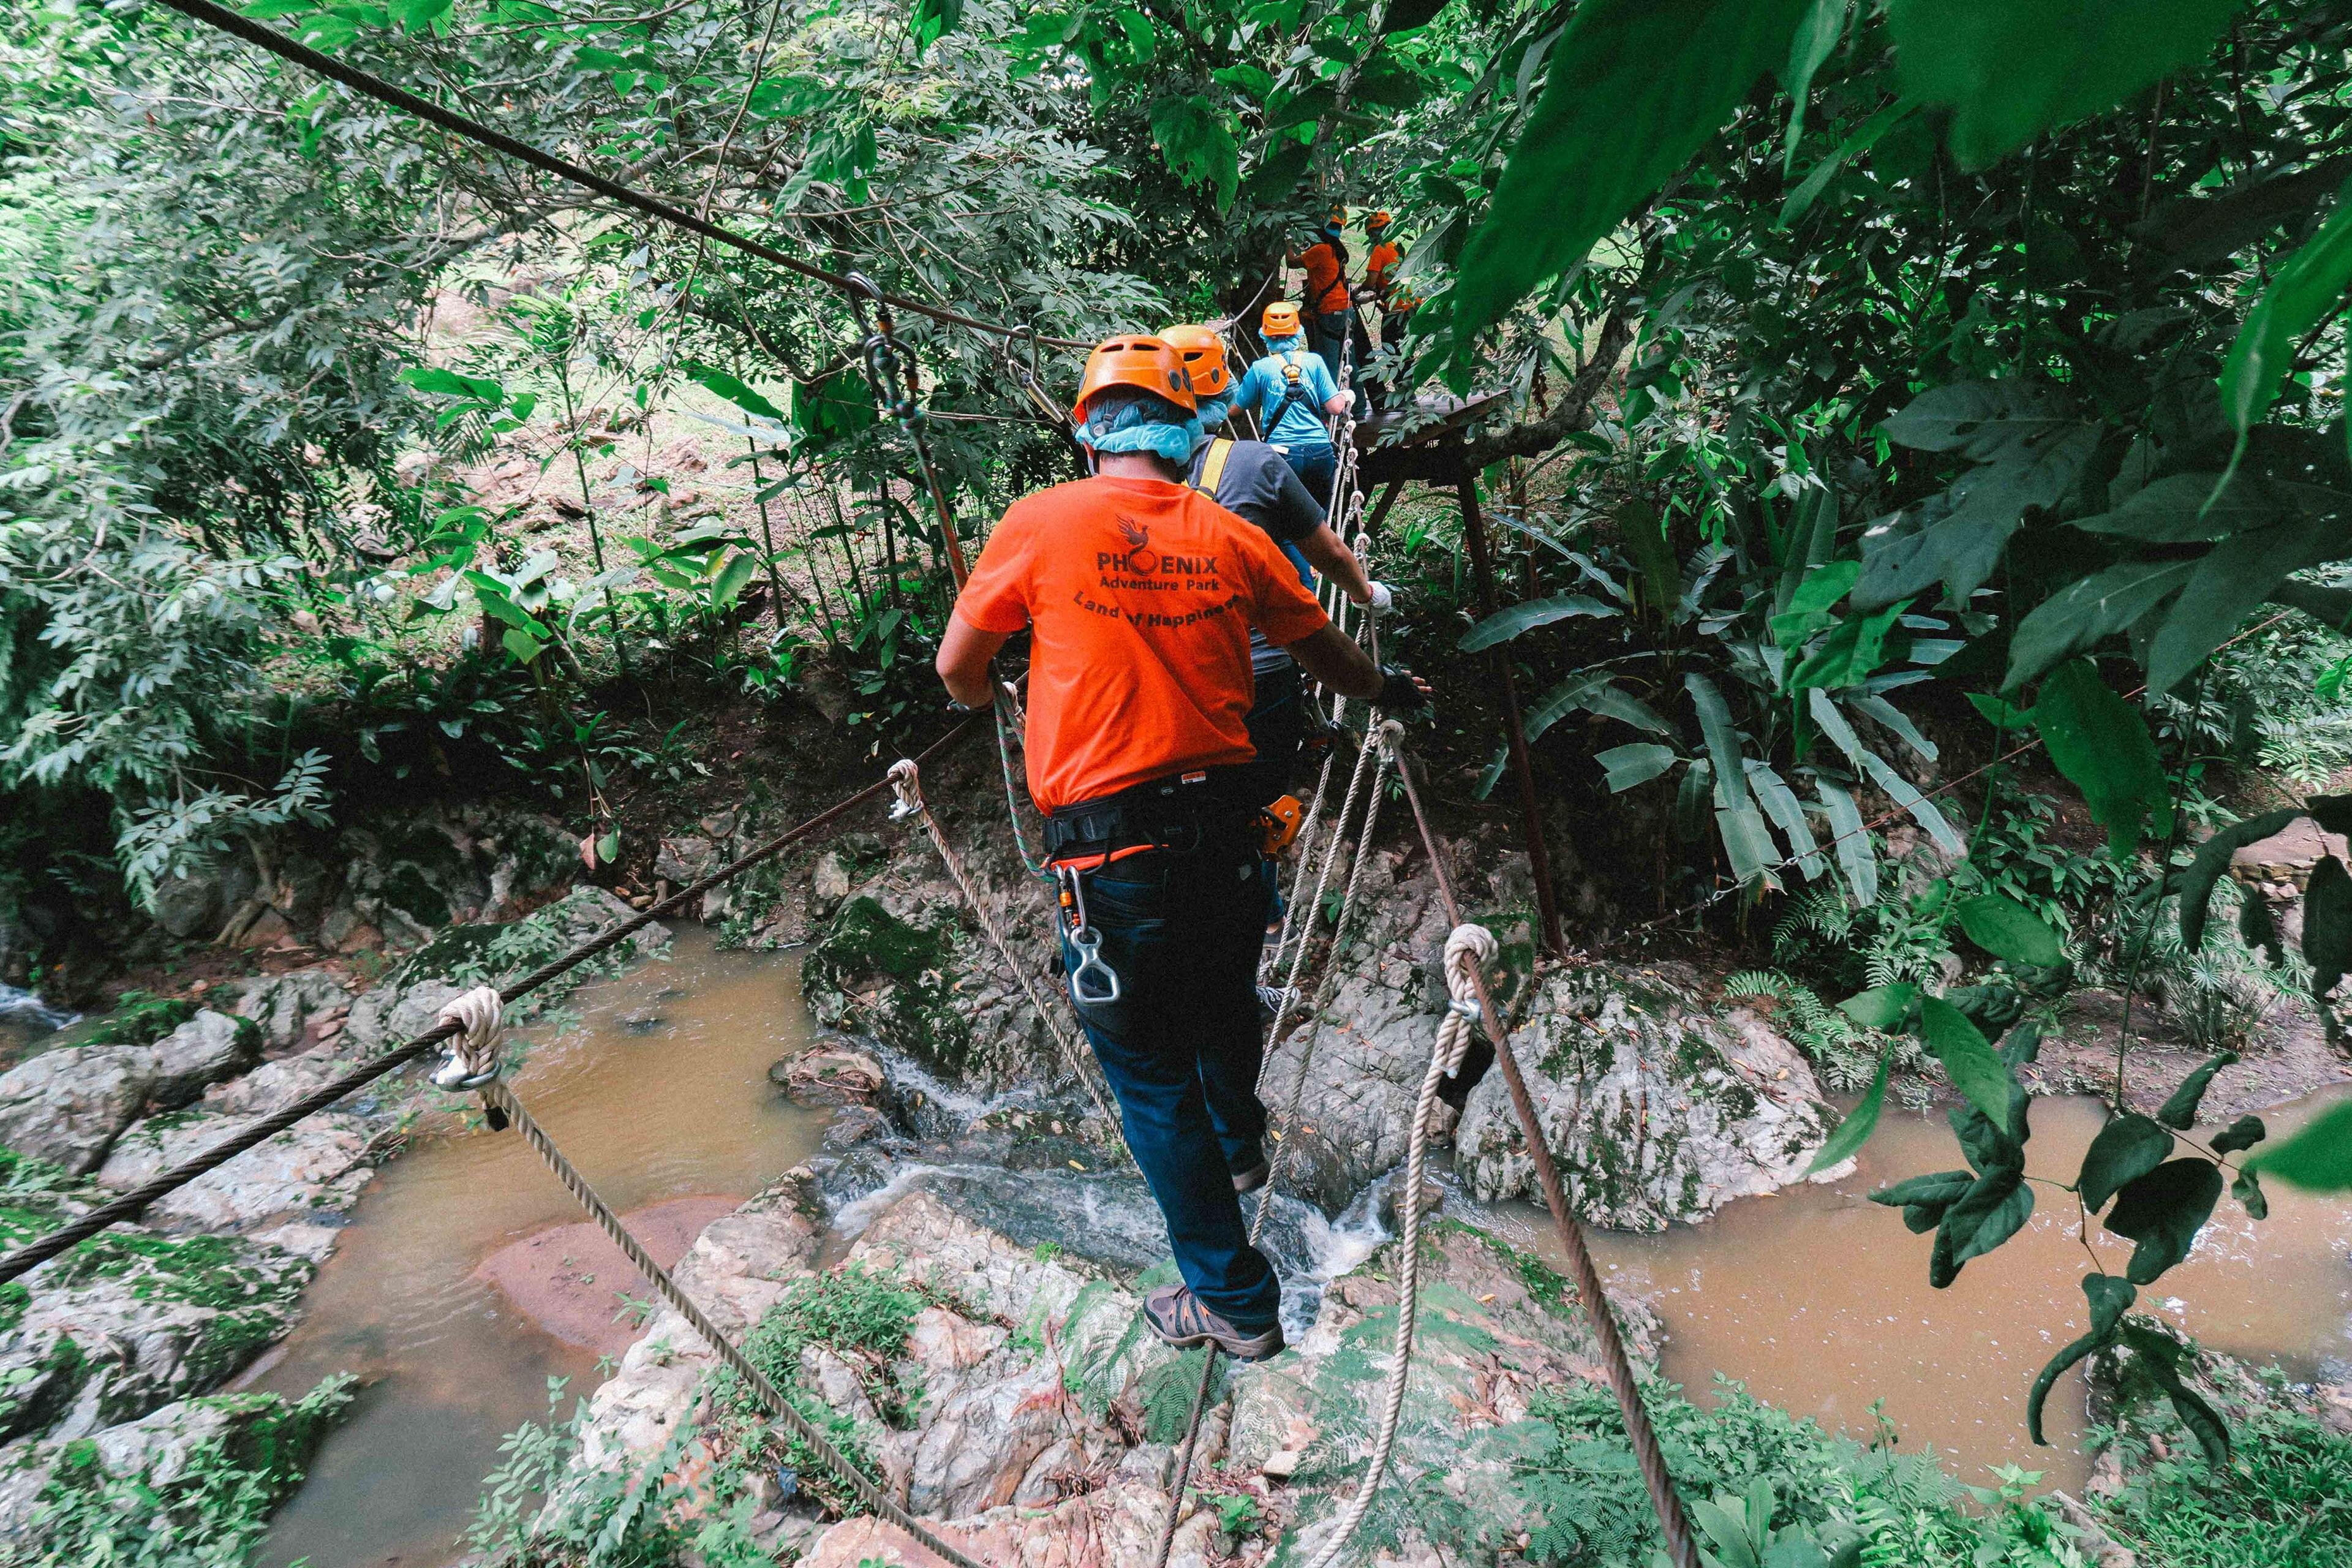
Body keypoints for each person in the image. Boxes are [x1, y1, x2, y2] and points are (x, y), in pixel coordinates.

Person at [935, 334, 1428, 1363]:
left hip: (1114, 864)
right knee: (1222, 1004)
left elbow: (957, 670)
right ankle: (1241, 1152)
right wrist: (1389, 688)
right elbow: (1330, 655)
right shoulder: (1233, 534)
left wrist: (992, 697)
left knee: (1155, 1081)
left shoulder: (1041, 520)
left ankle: (1232, 1301)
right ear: (1189, 430)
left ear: (1089, 434)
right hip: (1229, 842)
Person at [1161, 322, 1391, 813]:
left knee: (1191, 808)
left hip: (1171, 680)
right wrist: (1364, 594)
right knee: (1256, 806)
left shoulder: (1121, 487)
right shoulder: (1253, 462)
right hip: (1261, 675)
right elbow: (1331, 553)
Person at [1232, 302, 1352, 510]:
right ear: (1298, 331)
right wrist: (1346, 395)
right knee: (1319, 521)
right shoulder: (1314, 362)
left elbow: (1234, 410)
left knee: (1284, 521)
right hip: (1320, 452)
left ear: (1265, 335)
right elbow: (1335, 408)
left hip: (1282, 456)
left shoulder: (1260, 369)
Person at [1289, 208, 1355, 381]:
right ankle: (1357, 399)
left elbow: (1291, 263)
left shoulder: (1322, 250)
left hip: (1329, 312)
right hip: (1346, 310)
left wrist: (1288, 240)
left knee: (1328, 365)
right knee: (1351, 363)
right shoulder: (1338, 250)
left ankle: (1329, 398)